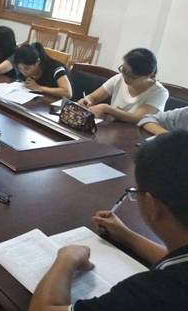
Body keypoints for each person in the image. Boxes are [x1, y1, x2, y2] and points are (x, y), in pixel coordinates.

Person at [28, 130, 188, 311]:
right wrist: (127, 236)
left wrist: (67, 259)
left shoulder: (152, 294)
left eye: (136, 192)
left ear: (152, 205)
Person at [78, 48, 168, 123]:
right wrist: (87, 100)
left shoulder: (159, 93)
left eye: (132, 76)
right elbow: (93, 97)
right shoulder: (119, 78)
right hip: (110, 130)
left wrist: (107, 109)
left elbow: (136, 118)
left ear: (148, 75)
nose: (125, 77)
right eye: (123, 70)